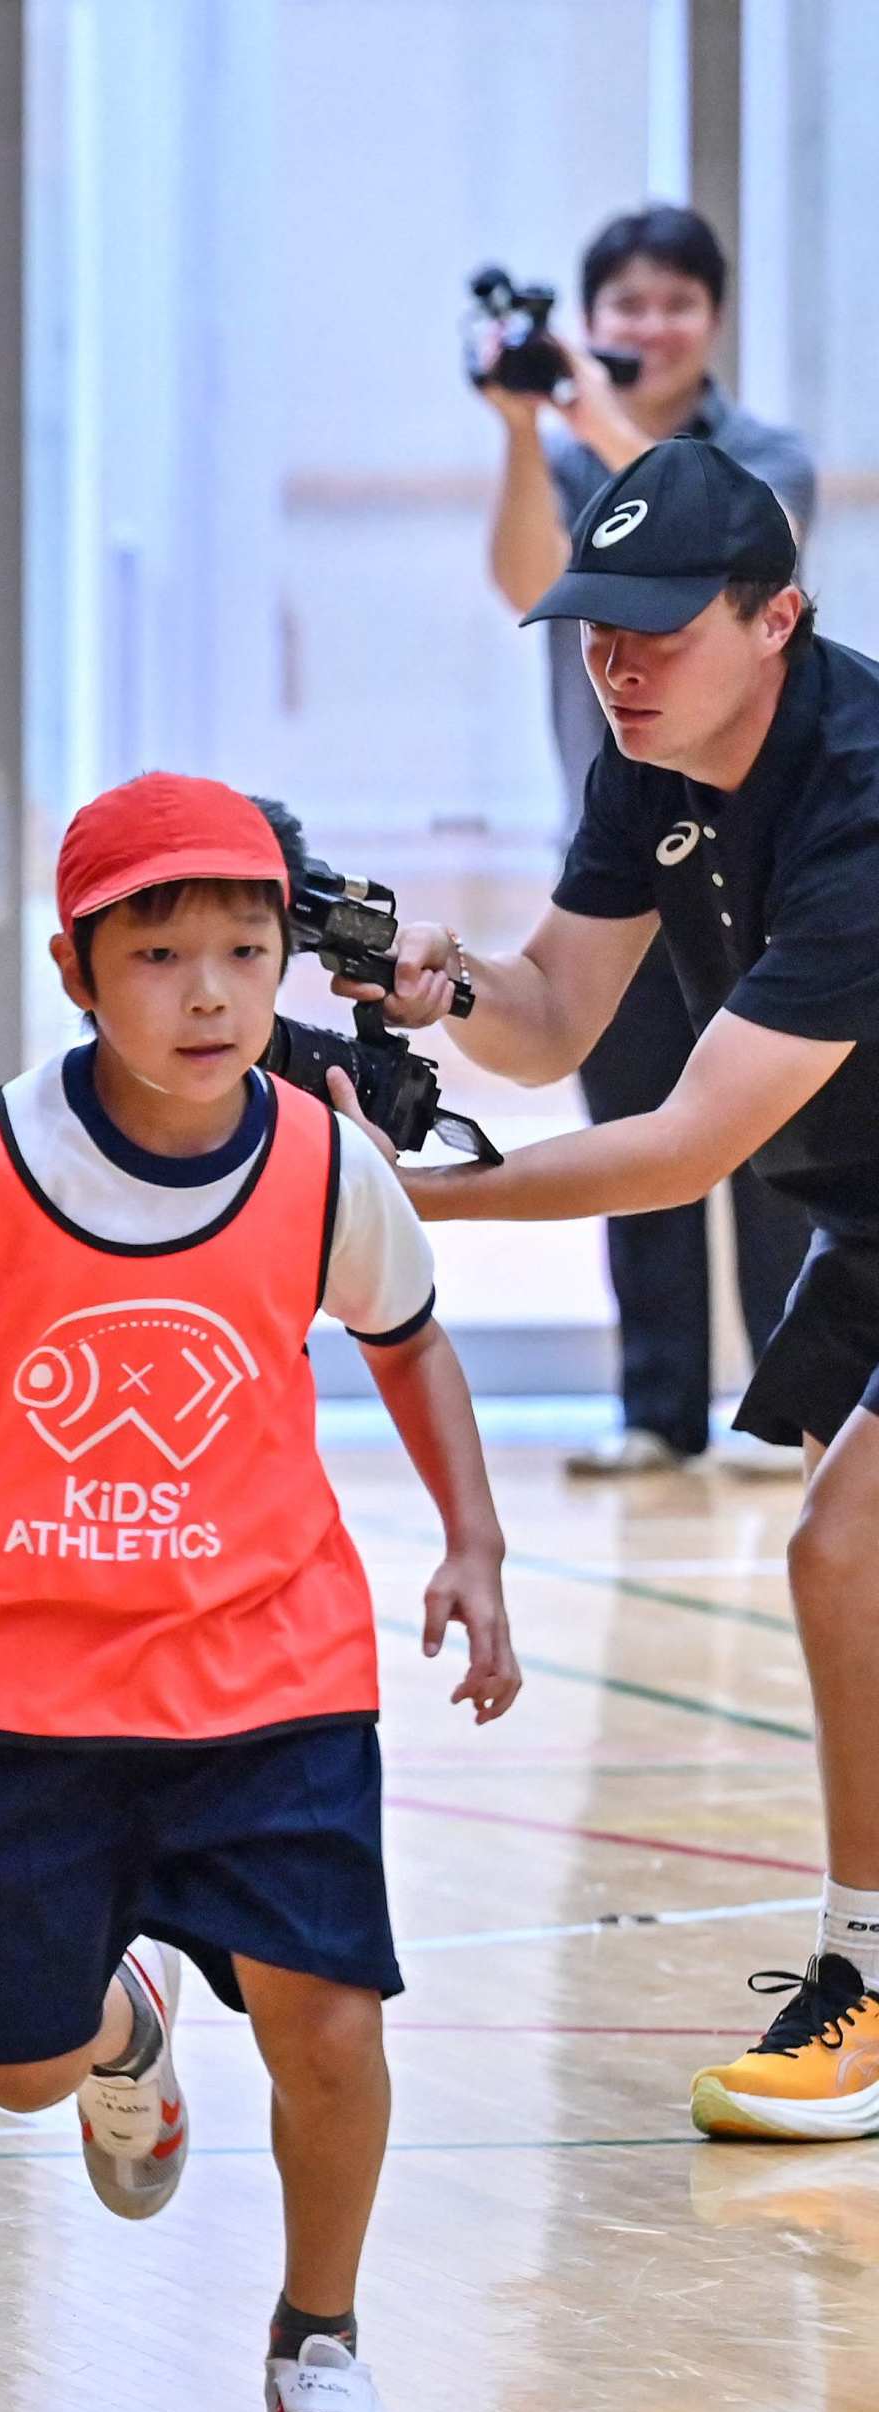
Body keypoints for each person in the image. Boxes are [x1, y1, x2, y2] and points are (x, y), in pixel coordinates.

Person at [0, 772, 520, 2412]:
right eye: (161, 957)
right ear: (78, 975)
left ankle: (321, 2340)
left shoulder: (315, 1163)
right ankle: (113, 2031)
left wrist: (474, 1541)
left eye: (245, 950)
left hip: (266, 1674)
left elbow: (411, 1335)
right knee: (13, 2071)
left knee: (333, 2025)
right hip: (14, 1696)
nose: (210, 993)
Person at [367, 437, 879, 2140]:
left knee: (843, 1548)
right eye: (602, 627)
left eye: (661, 629)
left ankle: (866, 1988)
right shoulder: (650, 774)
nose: (619, 661)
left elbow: (681, 1147)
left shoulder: (863, 797)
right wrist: (440, 990)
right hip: (869, 1213)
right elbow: (553, 1023)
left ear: (779, 619)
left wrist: (399, 1203)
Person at [484, 203, 816, 1475]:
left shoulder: (762, 454)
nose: (649, 325)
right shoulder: (569, 453)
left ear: (713, 319)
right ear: (594, 318)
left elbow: (728, 525)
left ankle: (790, 1411)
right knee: (632, 1119)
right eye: (624, 304)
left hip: (767, 845)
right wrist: (524, 432)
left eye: (674, 301)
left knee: (773, 1130)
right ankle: (653, 1412)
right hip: (624, 834)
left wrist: (579, 408)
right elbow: (523, 584)